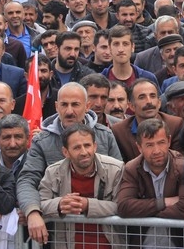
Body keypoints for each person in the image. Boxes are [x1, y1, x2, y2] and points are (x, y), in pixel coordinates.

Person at [16, 82, 122, 245]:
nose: (69, 111)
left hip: (106, 235)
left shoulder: (105, 136)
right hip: (61, 236)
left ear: (87, 106)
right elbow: (27, 180)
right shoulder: (42, 141)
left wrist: (89, 205)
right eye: (64, 105)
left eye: (75, 105)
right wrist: (33, 211)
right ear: (57, 106)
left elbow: (122, 182)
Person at [39, 123, 124, 248]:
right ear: (65, 152)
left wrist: (87, 205)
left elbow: (122, 206)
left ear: (95, 146)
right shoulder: (52, 172)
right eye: (77, 147)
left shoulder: (116, 169)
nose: (84, 152)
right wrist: (59, 205)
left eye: (87, 145)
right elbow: (40, 204)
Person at [116, 119, 184, 247]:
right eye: (149, 145)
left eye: (161, 143)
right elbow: (124, 207)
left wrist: (143, 211)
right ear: (139, 147)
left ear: (169, 141)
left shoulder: (183, 167)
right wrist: (164, 202)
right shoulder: (132, 168)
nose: (156, 151)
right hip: (143, 244)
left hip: (178, 244)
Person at [111, 78, 183, 162]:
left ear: (159, 103)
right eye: (142, 97)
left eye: (152, 96)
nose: (149, 101)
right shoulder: (119, 131)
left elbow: (178, 161)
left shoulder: (175, 124)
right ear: (131, 106)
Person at [0, 113, 28, 179]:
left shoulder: (37, 165)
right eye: (7, 137)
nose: (12, 144)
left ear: (27, 139)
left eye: (18, 137)